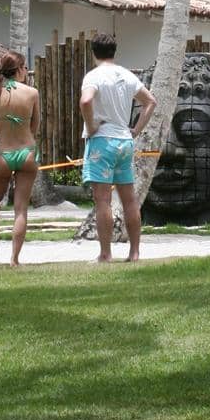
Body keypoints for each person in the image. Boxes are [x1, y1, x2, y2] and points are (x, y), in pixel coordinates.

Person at [79, 33, 157, 263]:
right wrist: (136, 129)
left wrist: (91, 126)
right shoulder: (127, 75)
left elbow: (85, 101)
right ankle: (134, 253)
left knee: (102, 201)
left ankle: (105, 253)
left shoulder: (94, 76)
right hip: (125, 141)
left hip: (102, 142)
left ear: (93, 52)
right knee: (129, 200)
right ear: (115, 51)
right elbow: (150, 101)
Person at [0, 52, 40, 267]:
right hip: (27, 152)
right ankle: (14, 259)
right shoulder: (32, 93)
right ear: (20, 69)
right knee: (21, 209)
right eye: (24, 68)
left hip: (3, 153)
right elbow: (35, 125)